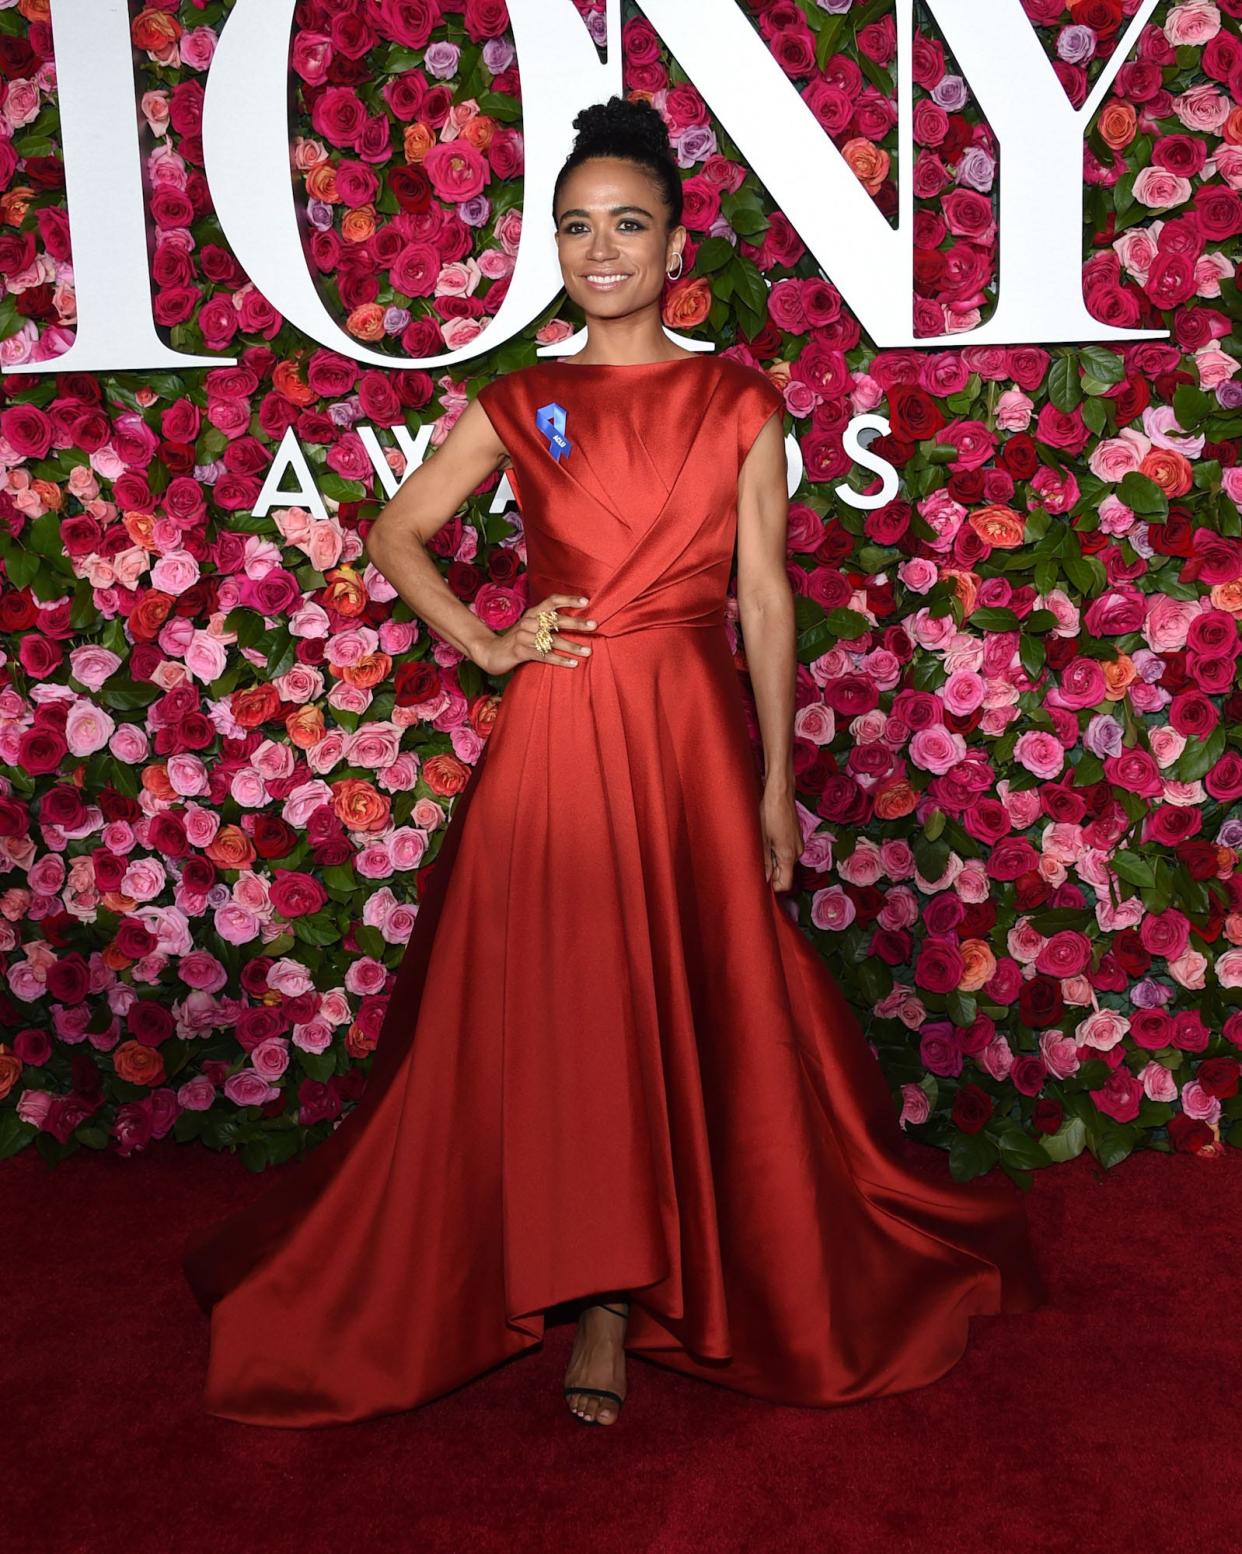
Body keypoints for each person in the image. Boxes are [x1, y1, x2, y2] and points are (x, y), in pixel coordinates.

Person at [182, 94, 1045, 1432]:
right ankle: (587, 1291)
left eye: (626, 225)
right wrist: (485, 639)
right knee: (567, 1008)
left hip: (690, 739)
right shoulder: (521, 397)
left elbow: (763, 599)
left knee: (693, 1003)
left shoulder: (734, 397)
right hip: (558, 736)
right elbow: (396, 528)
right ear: (556, 247)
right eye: (576, 227)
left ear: (672, 243)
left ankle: (651, 1284)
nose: (600, 250)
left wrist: (768, 787)